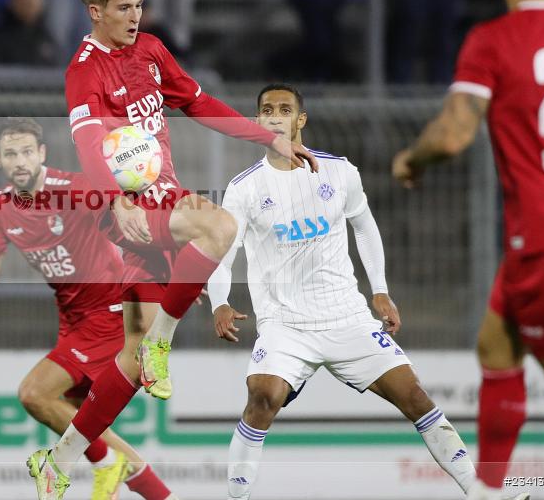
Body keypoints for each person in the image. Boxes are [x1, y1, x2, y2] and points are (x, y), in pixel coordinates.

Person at [26, 0, 318, 500]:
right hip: (132, 215)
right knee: (220, 226)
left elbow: (199, 101)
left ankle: (55, 459)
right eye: (122, 8)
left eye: (138, 5)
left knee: (132, 363)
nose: (133, 16)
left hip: (162, 205)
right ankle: (164, 337)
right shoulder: (84, 71)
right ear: (94, 11)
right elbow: (90, 145)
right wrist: (117, 201)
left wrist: (270, 138)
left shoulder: (153, 51)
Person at [210, 84, 527, 500]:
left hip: (347, 317)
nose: (274, 115)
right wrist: (219, 301)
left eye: (284, 109)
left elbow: (364, 226)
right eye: (266, 109)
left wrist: (380, 291)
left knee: (414, 397)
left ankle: (478, 491)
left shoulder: (339, 171)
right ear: (257, 121)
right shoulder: (245, 188)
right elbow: (222, 249)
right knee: (263, 396)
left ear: (300, 119)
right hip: (285, 324)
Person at [393, 0, 544, 500]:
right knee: (495, 345)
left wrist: (411, 160)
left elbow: (450, 135)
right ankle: (492, 490)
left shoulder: (493, 41)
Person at [0, 118, 176, 500]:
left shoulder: (75, 189)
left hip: (109, 313)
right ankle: (161, 495)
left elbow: (133, 222)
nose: (20, 160)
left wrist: (174, 267)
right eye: (11, 154)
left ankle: (104, 464)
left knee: (34, 394)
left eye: (27, 151)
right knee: (87, 426)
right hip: (73, 319)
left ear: (42, 153)